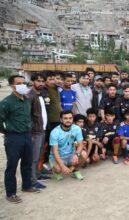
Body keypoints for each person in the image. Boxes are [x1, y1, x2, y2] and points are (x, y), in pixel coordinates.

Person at [0, 75, 40, 203]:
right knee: (12, 165)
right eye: (19, 83)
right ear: (12, 86)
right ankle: (11, 193)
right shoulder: (6, 102)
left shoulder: (27, 100)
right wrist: (6, 132)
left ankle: (26, 186)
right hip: (13, 137)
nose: (23, 85)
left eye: (24, 83)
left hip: (27, 135)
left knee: (27, 163)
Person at [49, 110, 87, 181]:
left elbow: (80, 144)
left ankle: (75, 170)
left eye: (70, 118)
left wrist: (77, 154)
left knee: (84, 154)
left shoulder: (77, 129)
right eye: (65, 118)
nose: (68, 120)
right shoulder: (54, 132)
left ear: (72, 119)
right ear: (61, 119)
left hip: (71, 155)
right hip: (59, 156)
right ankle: (56, 171)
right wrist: (62, 166)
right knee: (58, 169)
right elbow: (55, 151)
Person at [28, 73, 49, 189]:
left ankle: (38, 174)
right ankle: (32, 181)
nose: (40, 83)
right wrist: (31, 130)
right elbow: (28, 115)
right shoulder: (30, 95)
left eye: (42, 81)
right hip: (35, 132)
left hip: (42, 129)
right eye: (38, 81)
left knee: (40, 155)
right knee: (34, 157)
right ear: (32, 81)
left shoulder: (40, 94)